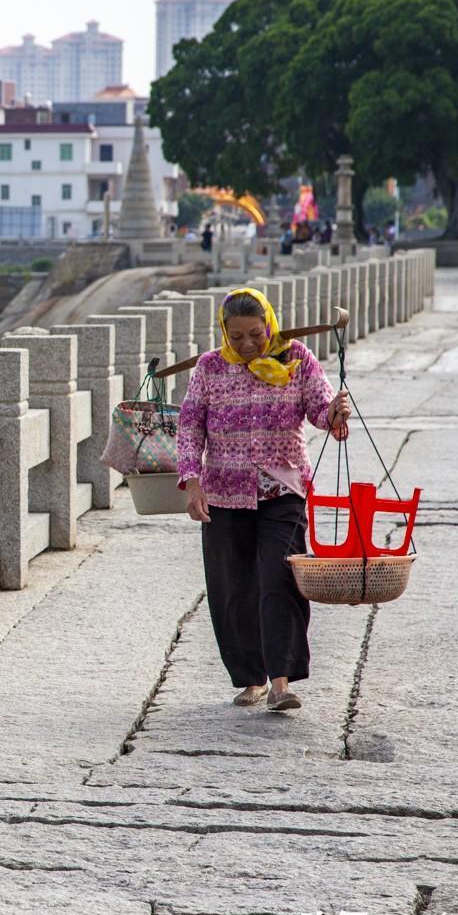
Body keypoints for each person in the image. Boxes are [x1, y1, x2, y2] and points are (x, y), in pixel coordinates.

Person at [176, 288, 352, 712]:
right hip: (223, 492)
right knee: (233, 589)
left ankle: (280, 682)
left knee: (280, 580)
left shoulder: (296, 359)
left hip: (282, 490)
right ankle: (250, 677)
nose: (248, 344)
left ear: (269, 324)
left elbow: (319, 409)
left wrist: (335, 414)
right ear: (224, 333)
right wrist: (192, 481)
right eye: (236, 337)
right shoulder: (210, 368)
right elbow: (189, 425)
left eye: (255, 333)